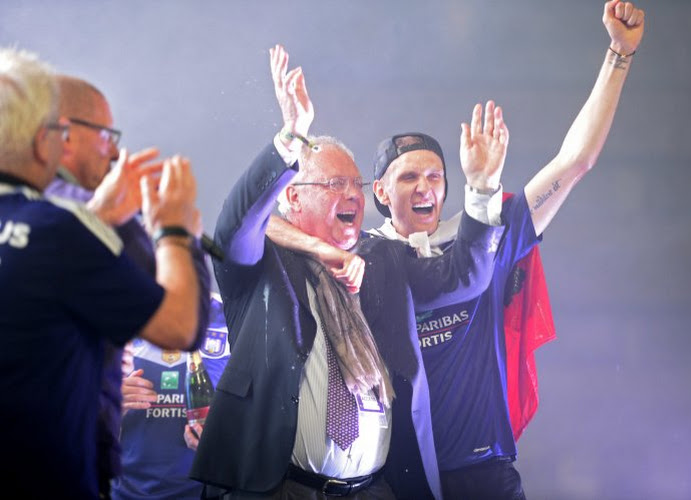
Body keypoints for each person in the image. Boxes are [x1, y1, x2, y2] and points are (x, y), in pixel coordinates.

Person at [267, 2, 645, 498]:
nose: (424, 187)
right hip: (398, 475)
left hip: (485, 468)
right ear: (379, 192)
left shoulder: (485, 231)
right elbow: (266, 227)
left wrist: (618, 55)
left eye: (435, 177)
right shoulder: (358, 254)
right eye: (408, 177)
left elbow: (575, 162)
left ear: (450, 187)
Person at [190, 45, 506, 499]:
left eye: (355, 184)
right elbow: (234, 225)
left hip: (376, 488)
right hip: (282, 489)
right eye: (334, 184)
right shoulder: (263, 265)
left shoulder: (383, 261)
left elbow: (467, 278)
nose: (353, 195)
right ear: (294, 198)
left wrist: (481, 188)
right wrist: (292, 138)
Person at [0, 47, 204, 499]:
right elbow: (179, 326)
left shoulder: (69, 226)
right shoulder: (59, 231)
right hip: (47, 472)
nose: (114, 148)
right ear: (45, 141)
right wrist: (174, 229)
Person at [111, 293, 230, 500]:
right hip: (127, 491)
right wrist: (110, 403)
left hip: (204, 491)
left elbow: (257, 413)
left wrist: (222, 443)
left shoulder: (230, 316)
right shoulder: (115, 316)